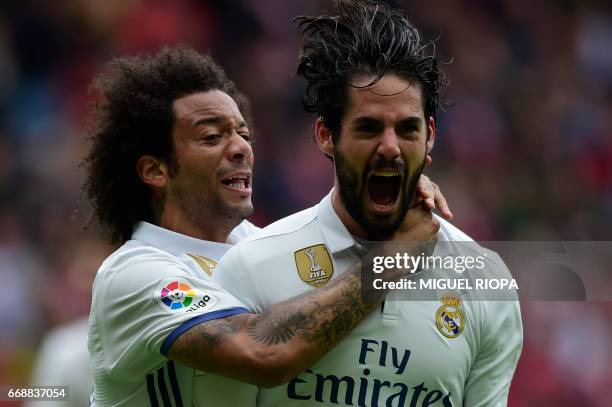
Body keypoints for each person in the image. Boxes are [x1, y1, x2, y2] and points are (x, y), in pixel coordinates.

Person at [82, 45, 450, 406]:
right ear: (155, 170)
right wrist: (393, 257)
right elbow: (262, 353)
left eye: (242, 134)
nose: (241, 148)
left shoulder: (257, 245)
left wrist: (397, 188)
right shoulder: (137, 274)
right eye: (212, 137)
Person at [212, 1, 523, 406]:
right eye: (369, 127)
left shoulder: (484, 282)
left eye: (407, 128)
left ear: (429, 135)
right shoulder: (251, 268)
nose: (390, 147)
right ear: (326, 134)